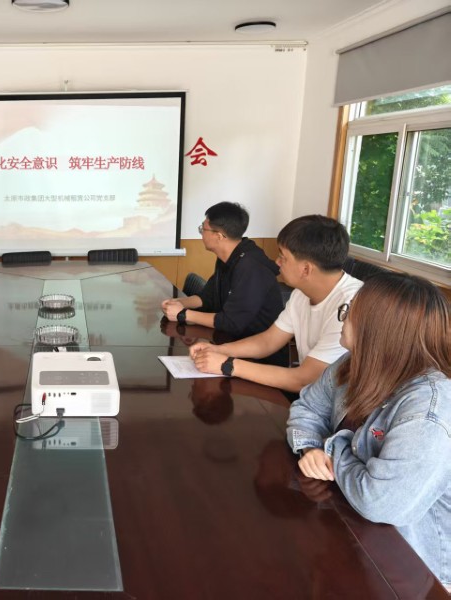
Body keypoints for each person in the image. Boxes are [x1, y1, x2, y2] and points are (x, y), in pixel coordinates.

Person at [286, 273, 451, 591]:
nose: (343, 317)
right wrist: (309, 448)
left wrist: (331, 447)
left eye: (350, 311)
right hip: (353, 525)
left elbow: (382, 503)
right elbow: (307, 408)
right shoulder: (353, 363)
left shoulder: (429, 409)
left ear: (378, 329)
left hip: (416, 568)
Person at [190, 215, 363, 394]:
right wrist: (219, 350)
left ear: (306, 269)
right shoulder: (301, 294)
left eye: (282, 257)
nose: (277, 262)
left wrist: (227, 365)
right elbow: (268, 341)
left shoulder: (352, 306)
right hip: (311, 400)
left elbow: (303, 380)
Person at [162, 203, 284, 362]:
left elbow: (231, 321)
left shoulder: (251, 267)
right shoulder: (228, 257)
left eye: (203, 229)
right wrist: (178, 303)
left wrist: (183, 314)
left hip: (258, 357)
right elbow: (208, 297)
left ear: (218, 236)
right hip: (230, 343)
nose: (201, 234)